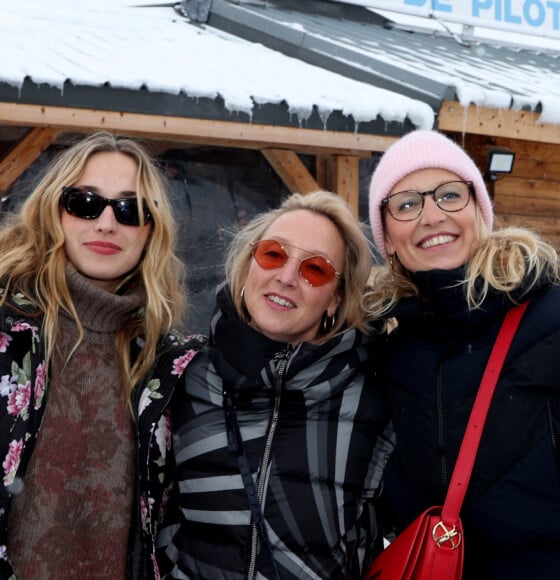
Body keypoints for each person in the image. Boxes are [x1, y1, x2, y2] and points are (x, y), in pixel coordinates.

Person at [367, 129, 560, 579]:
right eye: (406, 204)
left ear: (479, 211)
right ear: (386, 237)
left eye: (449, 195)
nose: (430, 215)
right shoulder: (388, 347)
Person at [0, 131, 205, 578]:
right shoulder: (5, 332)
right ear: (54, 211)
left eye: (130, 209)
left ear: (151, 230)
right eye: (85, 203)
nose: (107, 223)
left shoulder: (167, 365)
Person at [157, 190, 392, 579]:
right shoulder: (184, 377)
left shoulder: (370, 396)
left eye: (315, 269)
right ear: (250, 264)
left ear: (334, 299)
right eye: (273, 254)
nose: (286, 277)